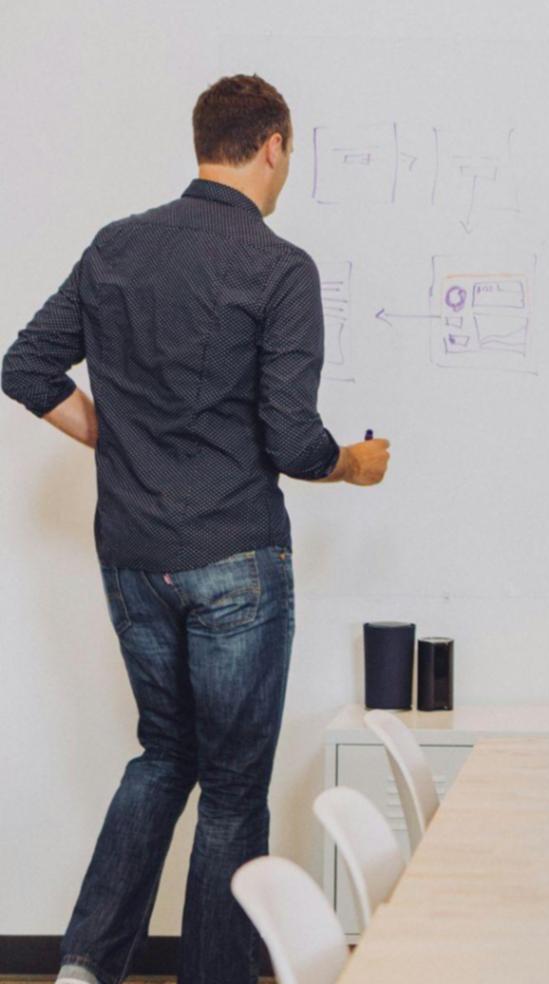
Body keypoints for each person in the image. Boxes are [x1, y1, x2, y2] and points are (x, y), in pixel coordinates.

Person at [1, 75, 391, 984]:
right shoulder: (279, 267)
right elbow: (293, 442)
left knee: (163, 755)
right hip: (234, 557)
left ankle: (85, 965)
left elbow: (26, 368)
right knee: (232, 788)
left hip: (134, 557)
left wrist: (115, 436)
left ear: (204, 142)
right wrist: (353, 464)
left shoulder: (117, 244)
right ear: (273, 146)